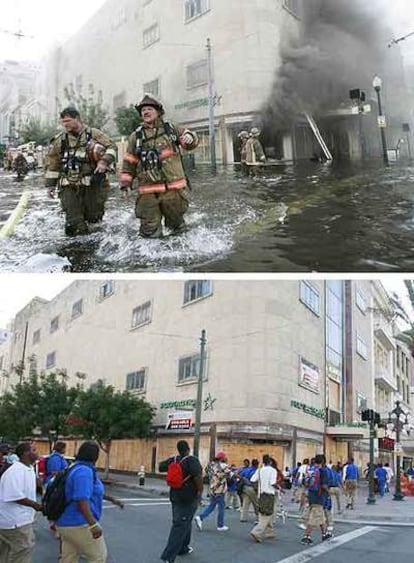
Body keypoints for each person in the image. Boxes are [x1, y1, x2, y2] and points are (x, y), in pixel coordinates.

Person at [120, 94, 199, 238]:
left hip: (173, 191)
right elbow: (129, 162)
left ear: (158, 112)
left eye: (149, 109)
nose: (145, 112)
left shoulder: (171, 129)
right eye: (143, 110)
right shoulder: (135, 137)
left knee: (178, 229)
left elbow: (190, 141)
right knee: (149, 232)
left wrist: (190, 138)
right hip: (148, 193)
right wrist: (125, 184)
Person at [45, 107, 117, 236]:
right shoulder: (60, 140)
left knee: (94, 220)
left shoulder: (94, 134)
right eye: (63, 121)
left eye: (68, 120)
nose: (65, 124)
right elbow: (53, 163)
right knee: (74, 223)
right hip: (68, 186)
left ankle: (93, 249)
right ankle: (75, 250)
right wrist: (50, 184)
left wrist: (104, 161)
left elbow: (112, 147)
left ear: (78, 119)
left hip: (93, 185)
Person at [55, 440, 124, 563]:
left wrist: (112, 499)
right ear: (95, 456)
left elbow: (90, 491)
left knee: (69, 558)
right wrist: (93, 525)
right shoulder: (84, 472)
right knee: (98, 557)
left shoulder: (74, 467)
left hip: (64, 522)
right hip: (78, 523)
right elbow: (82, 500)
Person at [158, 440, 203, 563]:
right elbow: (198, 477)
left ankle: (183, 547)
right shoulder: (192, 460)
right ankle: (168, 557)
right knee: (179, 525)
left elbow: (160, 467)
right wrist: (200, 494)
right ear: (188, 448)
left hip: (175, 496)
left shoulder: (174, 460)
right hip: (188, 498)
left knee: (184, 521)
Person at [0, 441, 43, 563]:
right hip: (15, 522)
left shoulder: (28, 468)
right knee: (23, 551)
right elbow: (14, 495)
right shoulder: (15, 471)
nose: (37, 452)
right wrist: (35, 505)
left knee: (6, 552)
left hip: (17, 520)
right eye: (34, 450)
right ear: (25, 454)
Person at [194, 451, 232, 532]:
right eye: (225, 457)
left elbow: (208, 472)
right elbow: (230, 474)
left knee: (212, 505)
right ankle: (220, 525)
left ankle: (200, 517)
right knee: (221, 507)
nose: (226, 458)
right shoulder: (223, 465)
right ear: (222, 458)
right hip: (220, 489)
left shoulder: (211, 465)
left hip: (212, 488)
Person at [300, 454, 331, 545]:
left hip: (311, 495)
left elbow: (305, 482)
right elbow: (324, 485)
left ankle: (324, 534)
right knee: (315, 517)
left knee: (321, 517)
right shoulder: (323, 471)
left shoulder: (311, 470)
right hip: (319, 496)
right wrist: (328, 492)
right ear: (323, 461)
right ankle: (306, 536)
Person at [249, 454, 277, 543]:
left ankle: (270, 532)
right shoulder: (273, 470)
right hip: (269, 494)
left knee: (262, 513)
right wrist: (279, 488)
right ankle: (256, 532)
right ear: (270, 462)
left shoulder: (260, 470)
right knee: (268, 513)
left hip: (260, 494)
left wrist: (257, 488)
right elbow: (272, 483)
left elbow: (252, 480)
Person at [239, 458, 259, 523]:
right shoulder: (256, 471)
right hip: (252, 488)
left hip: (245, 487)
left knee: (245, 502)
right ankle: (258, 517)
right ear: (257, 464)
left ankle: (243, 517)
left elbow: (240, 476)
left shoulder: (246, 470)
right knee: (256, 503)